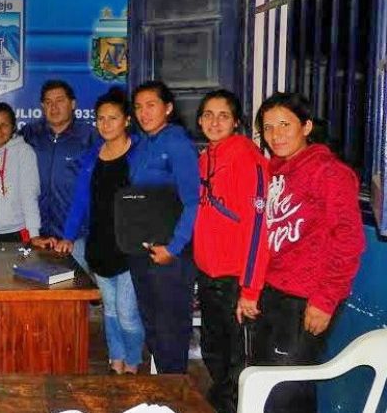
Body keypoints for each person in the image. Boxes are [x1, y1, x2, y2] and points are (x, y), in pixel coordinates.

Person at [252, 92, 364, 413]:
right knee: (274, 383)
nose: (276, 135)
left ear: (306, 126)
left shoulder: (329, 173)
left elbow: (349, 240)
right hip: (275, 291)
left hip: (307, 298)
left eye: (285, 124)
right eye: (269, 128)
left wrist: (325, 299)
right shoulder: (274, 172)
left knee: (284, 391)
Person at [54, 88, 144, 375]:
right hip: (100, 242)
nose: (106, 124)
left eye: (113, 118)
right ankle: (115, 358)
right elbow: (80, 201)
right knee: (110, 309)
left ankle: (133, 361)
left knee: (128, 314)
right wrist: (68, 236)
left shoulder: (140, 152)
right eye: (101, 119)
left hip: (131, 246)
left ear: (127, 120)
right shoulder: (93, 156)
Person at [193, 90, 270, 413]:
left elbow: (257, 230)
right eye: (208, 115)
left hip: (235, 280)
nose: (214, 122)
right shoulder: (204, 158)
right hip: (208, 275)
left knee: (239, 359)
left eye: (223, 115)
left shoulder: (248, 158)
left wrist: (250, 290)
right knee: (214, 351)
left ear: (236, 122)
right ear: (199, 121)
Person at [126, 80, 200, 374]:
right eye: (139, 107)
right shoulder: (143, 143)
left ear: (168, 108)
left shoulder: (177, 143)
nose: (144, 113)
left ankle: (175, 395)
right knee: (153, 327)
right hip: (144, 249)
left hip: (170, 251)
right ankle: (164, 393)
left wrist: (174, 247)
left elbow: (193, 202)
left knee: (171, 329)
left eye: (151, 105)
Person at [19, 80, 100, 265]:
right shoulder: (29, 134)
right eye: (48, 102)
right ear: (42, 106)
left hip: (78, 237)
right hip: (37, 236)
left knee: (78, 291)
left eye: (60, 101)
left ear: (72, 104)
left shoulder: (90, 136)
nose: (53, 107)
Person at [0, 102, 42, 243]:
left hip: (16, 232)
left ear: (13, 127)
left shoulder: (24, 152)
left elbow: (29, 195)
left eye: (4, 125)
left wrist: (34, 234)